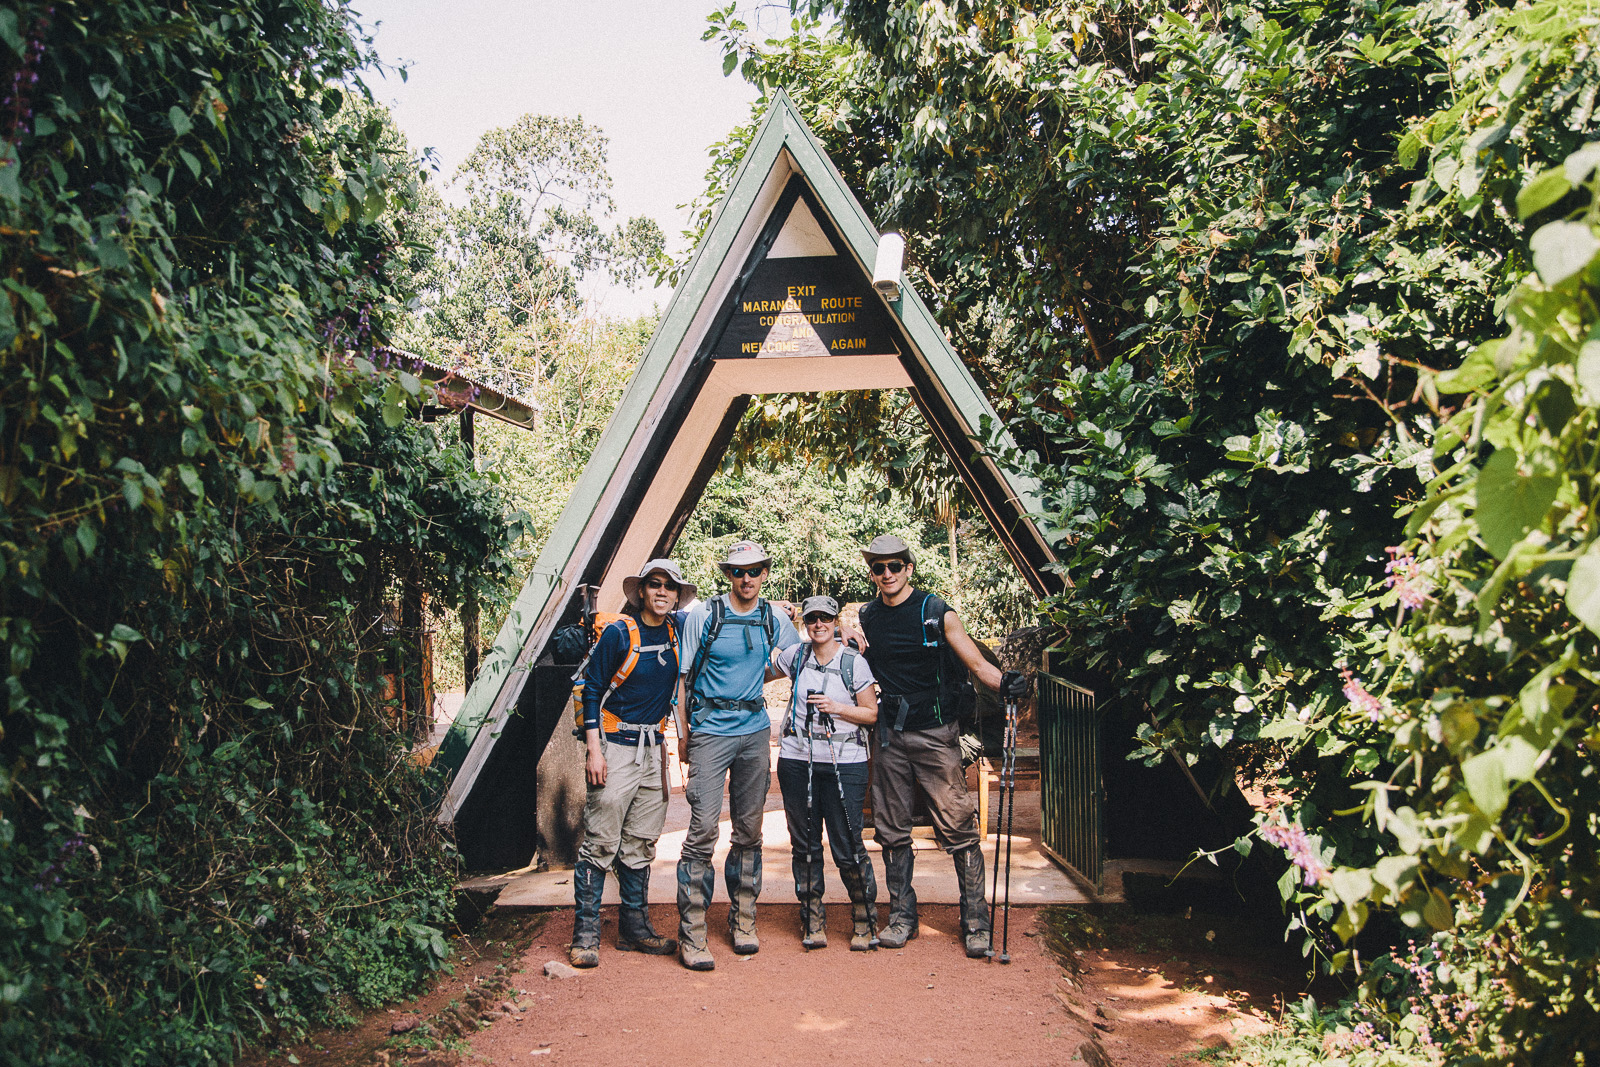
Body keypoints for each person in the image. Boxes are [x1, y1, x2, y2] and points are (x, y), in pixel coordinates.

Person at [856, 534, 1030, 959]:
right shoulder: (869, 616)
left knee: (957, 827)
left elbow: (976, 664)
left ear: (909, 568)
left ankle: (975, 923)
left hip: (936, 733)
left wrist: (1006, 682)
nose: (887, 574)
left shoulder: (936, 613)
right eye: (879, 568)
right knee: (892, 827)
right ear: (873, 574)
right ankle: (901, 917)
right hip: (891, 735)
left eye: (895, 566)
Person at [674, 540, 801, 970]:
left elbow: (796, 659)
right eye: (738, 572)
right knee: (703, 829)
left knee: (749, 831)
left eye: (754, 571)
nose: (746, 579)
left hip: (754, 731)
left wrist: (758, 677)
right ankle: (691, 932)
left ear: (765, 572)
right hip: (710, 730)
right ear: (728, 575)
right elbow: (683, 678)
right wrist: (684, 734)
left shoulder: (773, 617)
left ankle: (743, 919)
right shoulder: (704, 615)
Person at [568, 559, 696, 968]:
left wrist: (840, 632)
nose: (661, 592)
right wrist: (593, 749)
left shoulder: (678, 631)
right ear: (641, 591)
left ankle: (633, 927)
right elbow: (591, 689)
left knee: (641, 841)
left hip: (653, 747)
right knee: (601, 841)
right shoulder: (620, 633)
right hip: (615, 745)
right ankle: (586, 933)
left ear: (677, 596)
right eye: (654, 585)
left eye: (669, 587)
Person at [772, 595, 879, 951]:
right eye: (812, 619)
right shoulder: (796, 656)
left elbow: (871, 714)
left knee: (846, 843)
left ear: (836, 622)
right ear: (805, 623)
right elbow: (764, 653)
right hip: (797, 758)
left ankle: (864, 919)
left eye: (826, 619)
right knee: (804, 844)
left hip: (844, 760)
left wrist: (836, 708)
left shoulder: (853, 663)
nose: (819, 625)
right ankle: (812, 918)